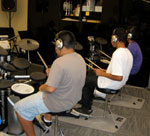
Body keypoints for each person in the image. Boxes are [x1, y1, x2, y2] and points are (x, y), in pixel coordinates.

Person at [14, 30, 86, 136]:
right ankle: (47, 120)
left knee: (19, 108)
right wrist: (53, 74)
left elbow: (50, 89)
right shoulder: (80, 58)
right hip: (72, 99)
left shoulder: (59, 62)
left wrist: (42, 87)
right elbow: (70, 77)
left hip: (57, 102)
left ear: (59, 44)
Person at [73, 27, 133, 116]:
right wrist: (104, 71)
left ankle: (86, 108)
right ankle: (86, 99)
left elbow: (119, 77)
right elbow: (119, 72)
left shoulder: (117, 54)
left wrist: (102, 73)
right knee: (91, 73)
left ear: (115, 38)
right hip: (118, 84)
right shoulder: (127, 52)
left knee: (85, 79)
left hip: (111, 84)